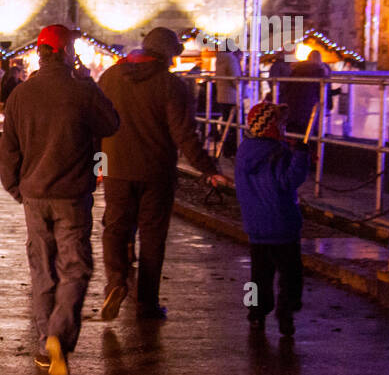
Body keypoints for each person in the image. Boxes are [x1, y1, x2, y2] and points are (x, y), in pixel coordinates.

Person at [0, 24, 120, 375]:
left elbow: (9, 152)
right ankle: (59, 334)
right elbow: (111, 123)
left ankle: (43, 343)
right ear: (67, 53)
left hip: (34, 196)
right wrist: (86, 81)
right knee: (75, 267)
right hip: (71, 196)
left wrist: (17, 189)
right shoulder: (82, 91)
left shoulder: (21, 94)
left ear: (40, 53)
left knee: (42, 269)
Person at [97, 27, 232, 323]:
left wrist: (97, 167)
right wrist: (209, 169)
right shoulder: (172, 86)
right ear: (168, 54)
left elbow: (95, 126)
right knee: (153, 237)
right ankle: (147, 304)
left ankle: (116, 282)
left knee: (115, 227)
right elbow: (184, 135)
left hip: (115, 168)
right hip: (156, 172)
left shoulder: (109, 78)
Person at [236, 100, 310, 336]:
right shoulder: (278, 152)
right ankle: (286, 312)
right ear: (271, 126)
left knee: (258, 275)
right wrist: (301, 155)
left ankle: (255, 312)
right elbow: (288, 181)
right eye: (280, 123)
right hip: (282, 225)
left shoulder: (244, 152)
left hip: (256, 227)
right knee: (290, 274)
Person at [284, 49, 331, 137]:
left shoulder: (296, 70)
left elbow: (287, 87)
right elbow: (323, 92)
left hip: (292, 107)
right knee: (309, 135)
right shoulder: (320, 71)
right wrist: (329, 105)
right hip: (310, 108)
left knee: (292, 134)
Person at [212, 45, 242, 158]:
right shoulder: (231, 59)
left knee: (226, 123)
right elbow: (235, 78)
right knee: (234, 125)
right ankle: (233, 150)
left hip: (222, 95)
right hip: (232, 96)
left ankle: (226, 150)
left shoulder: (219, 59)